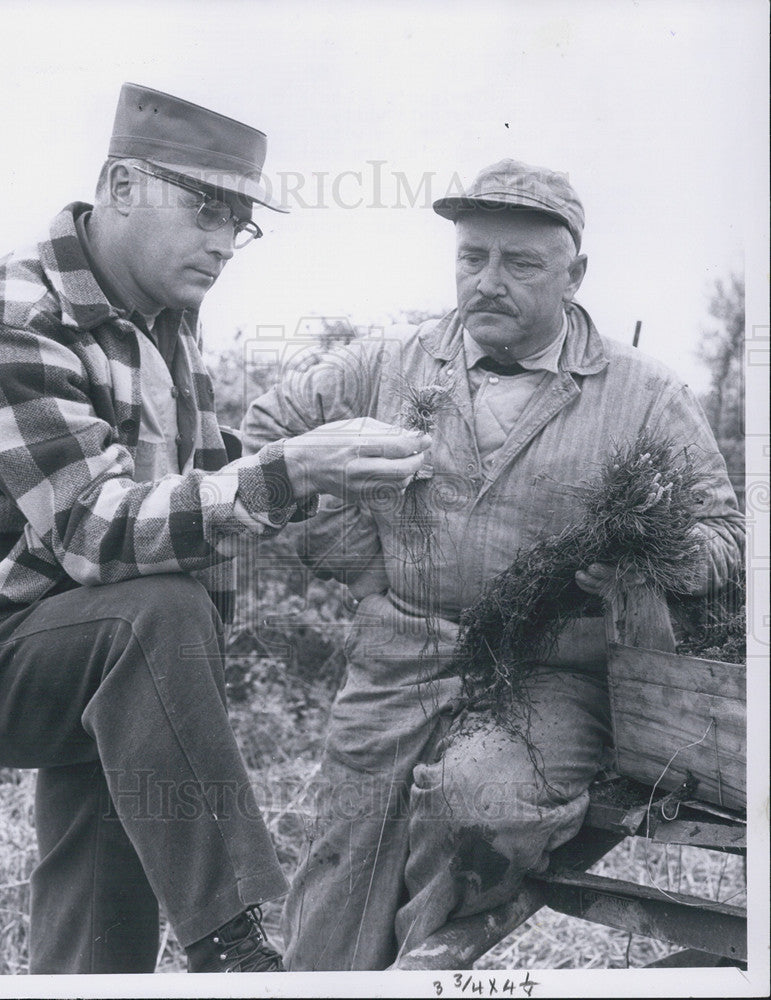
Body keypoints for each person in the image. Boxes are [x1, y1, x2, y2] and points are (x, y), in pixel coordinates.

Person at [0, 82, 430, 974]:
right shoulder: (10, 318)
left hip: (94, 648)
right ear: (119, 185)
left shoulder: (160, 319)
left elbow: (184, 479)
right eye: (206, 209)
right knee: (155, 615)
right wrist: (294, 469)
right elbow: (96, 530)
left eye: (241, 221)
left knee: (98, 922)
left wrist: (322, 474)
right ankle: (231, 948)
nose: (226, 242)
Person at [242, 158, 745, 970]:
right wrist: (351, 555)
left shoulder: (642, 393)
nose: (487, 282)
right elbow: (265, 434)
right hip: (399, 655)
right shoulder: (392, 364)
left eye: (520, 264)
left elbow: (726, 534)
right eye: (471, 258)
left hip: (552, 670)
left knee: (479, 807)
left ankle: (424, 973)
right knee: (339, 879)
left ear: (573, 275)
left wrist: (653, 559)